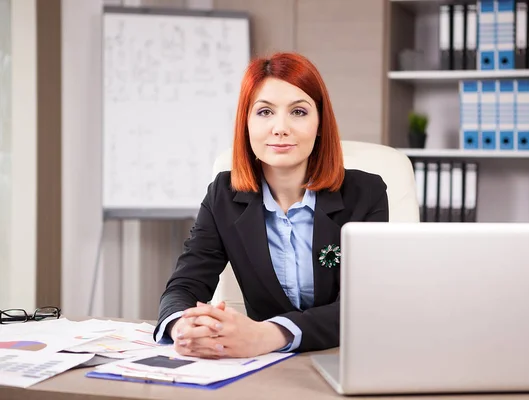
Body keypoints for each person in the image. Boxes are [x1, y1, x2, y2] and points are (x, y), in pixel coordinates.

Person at [153, 52, 389, 359]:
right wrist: (181, 326)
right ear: (246, 123)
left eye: (299, 112)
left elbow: (361, 306)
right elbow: (185, 286)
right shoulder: (223, 196)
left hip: (347, 358)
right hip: (265, 366)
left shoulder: (365, 193)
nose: (280, 128)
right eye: (264, 112)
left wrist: (270, 333)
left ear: (320, 123)